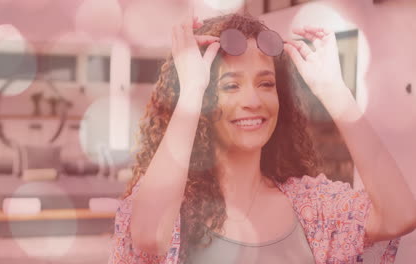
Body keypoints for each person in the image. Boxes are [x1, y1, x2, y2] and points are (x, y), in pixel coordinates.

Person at [108, 12, 416, 264]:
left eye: (266, 84)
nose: (253, 100)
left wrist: (335, 93)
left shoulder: (312, 207)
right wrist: (190, 92)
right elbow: (148, 237)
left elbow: (399, 215)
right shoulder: (171, 205)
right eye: (230, 86)